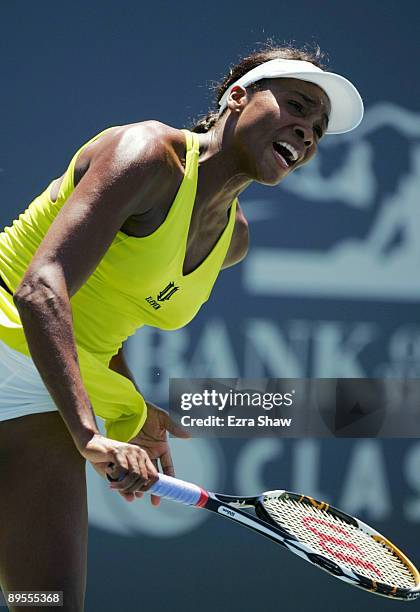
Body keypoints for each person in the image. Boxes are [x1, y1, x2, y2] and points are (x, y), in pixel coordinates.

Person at [0, 42, 363, 611]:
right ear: (237, 98)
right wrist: (89, 431)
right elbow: (41, 287)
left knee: (44, 601)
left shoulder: (233, 240)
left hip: (36, 394)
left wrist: (134, 410)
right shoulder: (146, 153)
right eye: (296, 105)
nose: (308, 131)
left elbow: (106, 319)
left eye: (319, 127)